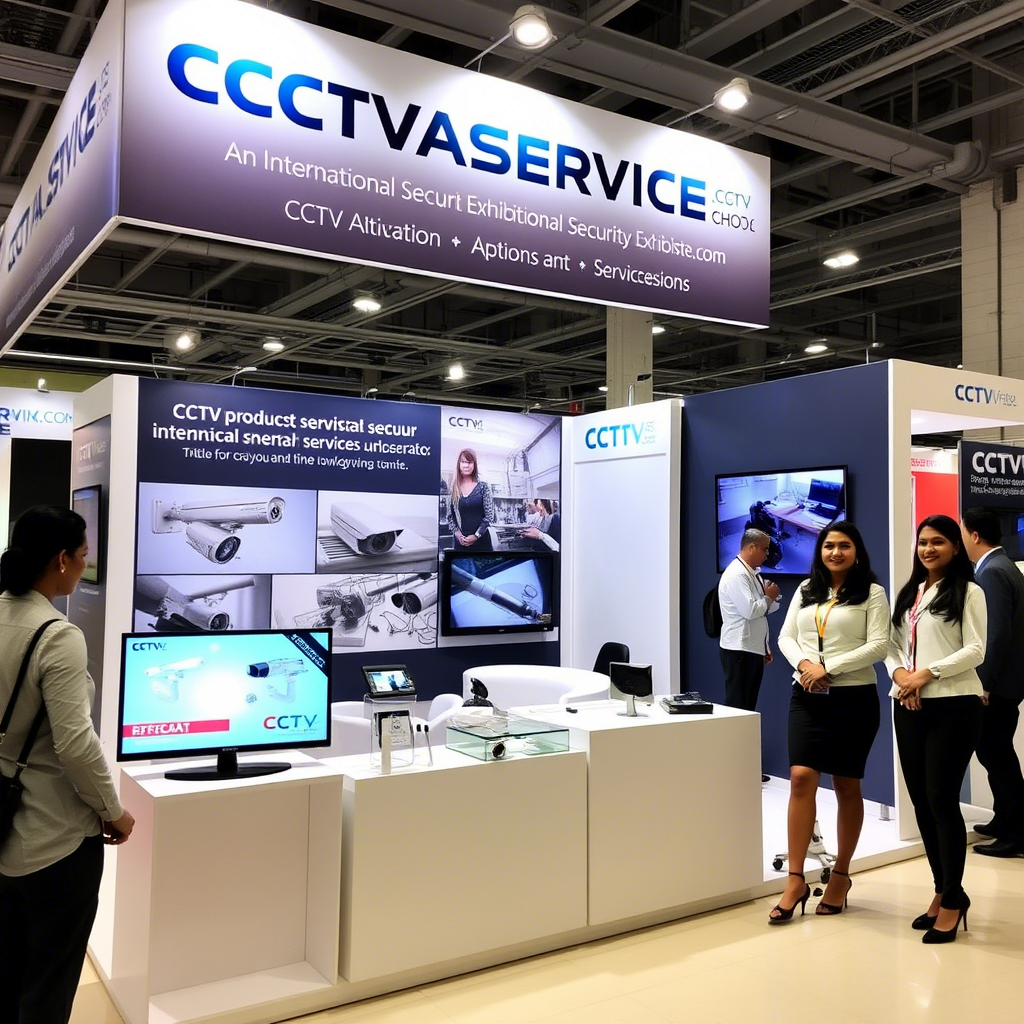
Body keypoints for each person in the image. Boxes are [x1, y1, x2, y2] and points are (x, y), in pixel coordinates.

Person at [0, 506, 135, 1024]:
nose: (84, 565)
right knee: (48, 987)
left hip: (3, 825)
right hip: (53, 838)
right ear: (62, 560)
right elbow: (77, 746)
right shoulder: (57, 635)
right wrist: (113, 811)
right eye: (83, 555)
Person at [772, 522, 889, 923]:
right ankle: (795, 880)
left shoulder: (872, 593)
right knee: (801, 777)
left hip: (854, 698)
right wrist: (806, 665)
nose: (835, 552)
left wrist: (829, 667)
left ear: (857, 552)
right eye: (829, 546)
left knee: (846, 786)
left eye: (844, 546)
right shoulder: (807, 589)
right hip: (807, 695)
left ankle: (840, 875)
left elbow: (879, 645)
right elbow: (786, 637)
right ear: (819, 551)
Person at [886, 514, 986, 943]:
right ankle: (942, 889)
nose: (928, 549)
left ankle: (953, 899)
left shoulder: (969, 591)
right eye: (923, 542)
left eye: (939, 542)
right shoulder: (910, 592)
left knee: (942, 802)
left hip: (953, 705)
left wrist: (925, 675)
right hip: (907, 704)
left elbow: (976, 649)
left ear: (955, 547)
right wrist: (901, 676)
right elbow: (892, 645)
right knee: (922, 803)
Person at [960, 508, 1024, 857]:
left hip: (997, 685)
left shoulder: (993, 572)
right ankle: (1005, 819)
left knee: (996, 754)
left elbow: (995, 634)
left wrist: (982, 683)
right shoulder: (1002, 565)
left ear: (974, 535)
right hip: (1006, 682)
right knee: (995, 752)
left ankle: (1016, 832)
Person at [718, 528, 781, 712]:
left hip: (750, 649)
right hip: (740, 650)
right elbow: (751, 611)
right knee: (738, 708)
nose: (767, 554)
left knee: (747, 707)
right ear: (752, 547)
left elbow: (764, 610)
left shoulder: (752, 573)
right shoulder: (737, 574)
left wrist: (763, 647)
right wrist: (769, 597)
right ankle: (733, 734)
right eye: (765, 549)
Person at [447, 448, 494, 551]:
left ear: (474, 465)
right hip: (461, 542)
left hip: (482, 541)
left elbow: (489, 516)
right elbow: (450, 516)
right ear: (459, 464)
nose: (466, 465)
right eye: (463, 462)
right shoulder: (453, 488)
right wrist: (458, 534)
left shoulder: (483, 487)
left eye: (470, 462)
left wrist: (476, 535)